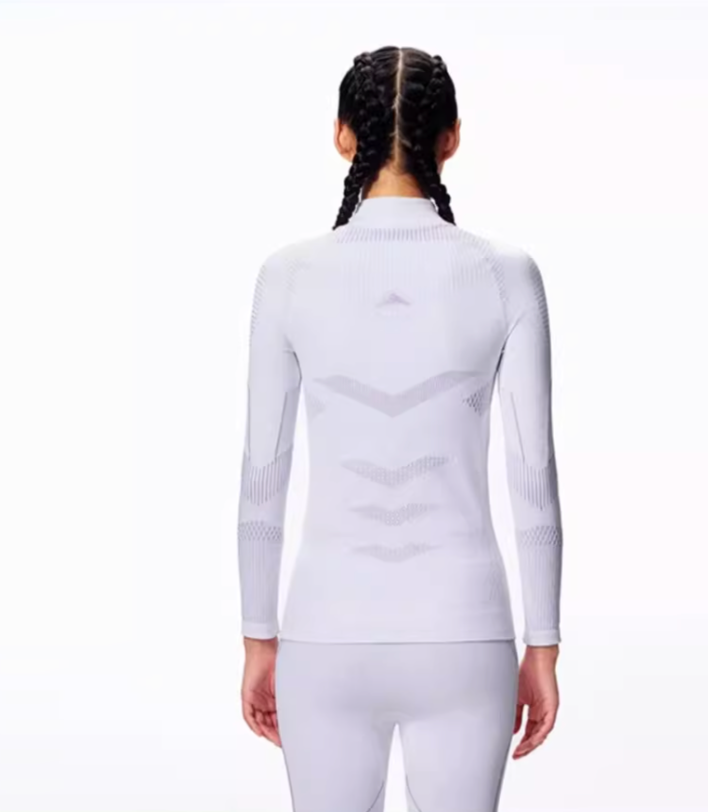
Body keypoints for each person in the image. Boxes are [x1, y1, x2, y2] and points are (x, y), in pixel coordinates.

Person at [236, 45, 564, 812]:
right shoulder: (506, 274)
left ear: (341, 135)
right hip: (466, 632)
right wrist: (543, 646)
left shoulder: (287, 276)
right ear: (451, 138)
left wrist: (257, 637)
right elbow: (533, 476)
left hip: (325, 631)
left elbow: (262, 477)